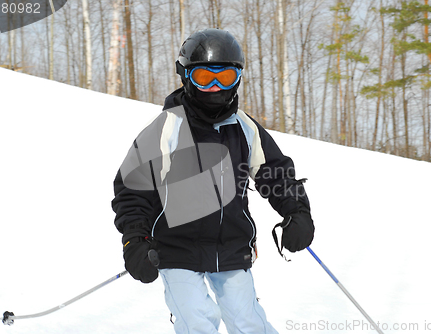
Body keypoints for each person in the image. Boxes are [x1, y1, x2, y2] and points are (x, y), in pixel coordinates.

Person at [112, 28, 315, 334]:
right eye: (205, 78)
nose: (215, 88)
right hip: (175, 248)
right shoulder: (167, 128)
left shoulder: (244, 128)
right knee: (197, 321)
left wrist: (297, 211)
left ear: (239, 78)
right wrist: (135, 239)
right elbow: (132, 190)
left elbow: (275, 173)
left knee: (248, 323)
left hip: (231, 247)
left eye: (226, 77)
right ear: (186, 77)